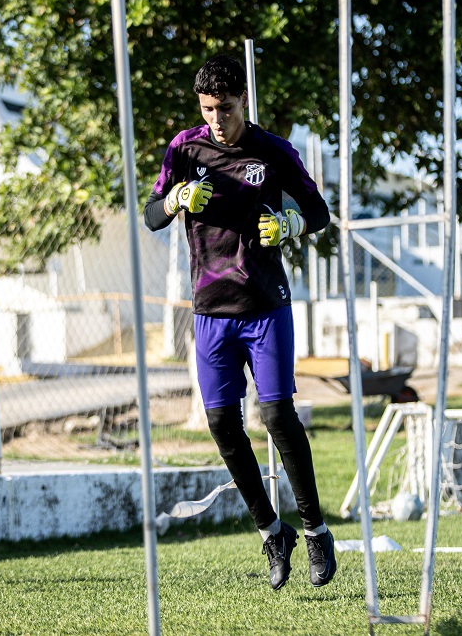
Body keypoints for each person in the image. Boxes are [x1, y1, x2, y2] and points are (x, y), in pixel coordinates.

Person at [144, 54, 336, 591]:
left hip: (265, 306)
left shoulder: (273, 151)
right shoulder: (185, 147)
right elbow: (151, 212)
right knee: (223, 425)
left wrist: (293, 223)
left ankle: (317, 530)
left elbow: (319, 211)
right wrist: (176, 199)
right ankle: (273, 532)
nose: (216, 121)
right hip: (209, 312)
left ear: (243, 101)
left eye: (224, 109)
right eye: (207, 110)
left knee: (277, 416)